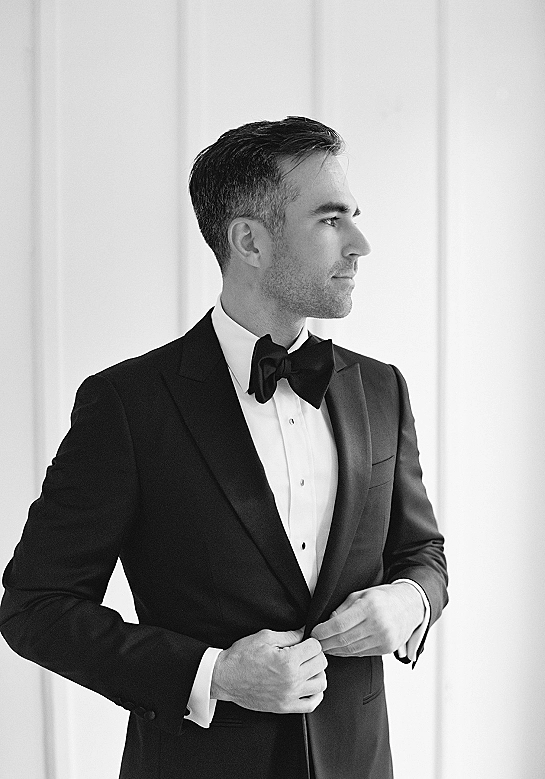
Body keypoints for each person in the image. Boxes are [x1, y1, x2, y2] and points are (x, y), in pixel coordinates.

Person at [0, 116, 448, 779]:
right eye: (330, 220)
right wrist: (215, 674)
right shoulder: (128, 404)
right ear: (249, 240)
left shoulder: (381, 389)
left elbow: (422, 554)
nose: (360, 244)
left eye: (354, 216)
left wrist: (411, 599)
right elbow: (33, 606)